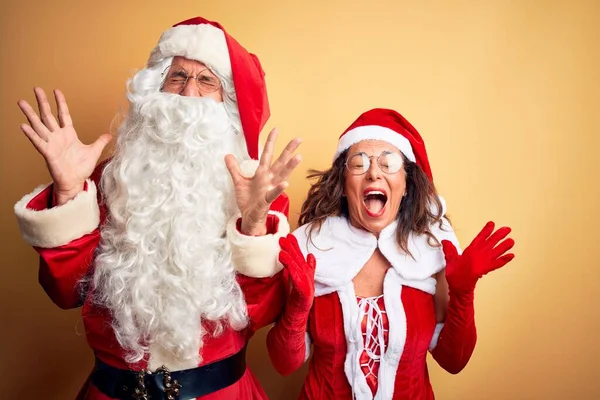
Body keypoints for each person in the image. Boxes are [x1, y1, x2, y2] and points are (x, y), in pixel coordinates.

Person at [13, 16, 301, 400]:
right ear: (156, 89)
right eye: (177, 76)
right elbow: (65, 293)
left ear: (227, 105)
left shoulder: (257, 191)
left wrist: (251, 224)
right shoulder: (110, 179)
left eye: (207, 80)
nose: (187, 93)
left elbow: (261, 315)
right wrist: (67, 193)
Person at [266, 108, 515, 399]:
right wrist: (297, 306)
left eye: (389, 163)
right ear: (343, 187)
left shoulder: (433, 250)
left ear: (407, 185)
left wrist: (463, 293)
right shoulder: (310, 250)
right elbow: (283, 364)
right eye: (358, 164)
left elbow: (453, 362)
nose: (373, 172)